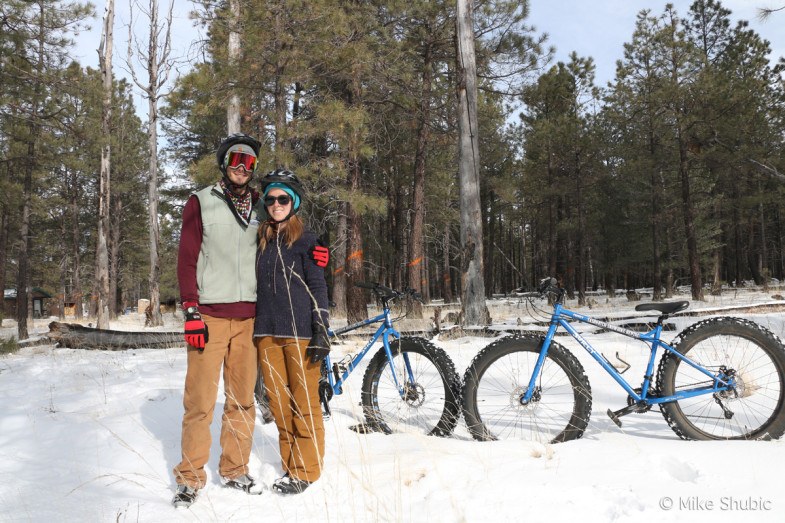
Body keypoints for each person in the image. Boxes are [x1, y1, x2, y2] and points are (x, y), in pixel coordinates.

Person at [254, 169, 331, 495]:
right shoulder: (259, 241)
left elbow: (318, 285)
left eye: (282, 198)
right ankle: (289, 464)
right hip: (266, 333)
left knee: (305, 403)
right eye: (271, 198)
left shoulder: (308, 241)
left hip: (300, 333)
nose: (276, 204)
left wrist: (322, 328)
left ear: (293, 201)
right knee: (280, 405)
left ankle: (307, 469)